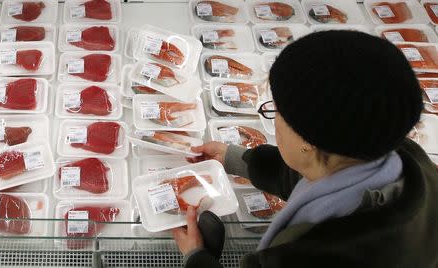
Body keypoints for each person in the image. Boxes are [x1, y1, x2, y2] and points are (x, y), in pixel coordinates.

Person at [171, 30, 438, 267]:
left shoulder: (305, 255)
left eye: (276, 110)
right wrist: (235, 158)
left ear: (308, 142)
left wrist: (196, 257)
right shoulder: (392, 150)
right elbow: (316, 169)